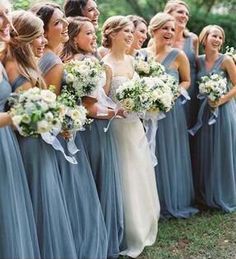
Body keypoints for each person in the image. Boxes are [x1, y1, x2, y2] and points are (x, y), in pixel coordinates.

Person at [33, 4, 110, 258]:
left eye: (64, 21)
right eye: (58, 23)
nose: (65, 26)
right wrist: (69, 119)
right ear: (43, 29)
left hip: (65, 130)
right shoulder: (53, 61)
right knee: (72, 194)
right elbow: (51, 104)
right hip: (59, 135)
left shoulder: (54, 57)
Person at [5, 10, 78, 259]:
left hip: (40, 142)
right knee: (39, 199)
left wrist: (61, 119)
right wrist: (49, 118)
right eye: (38, 36)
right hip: (30, 146)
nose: (44, 41)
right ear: (24, 38)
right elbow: (22, 112)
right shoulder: (13, 67)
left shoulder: (28, 65)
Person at [61, 16, 125, 259]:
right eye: (88, 33)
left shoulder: (82, 60)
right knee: (101, 179)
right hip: (93, 130)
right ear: (75, 37)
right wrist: (114, 112)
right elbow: (89, 107)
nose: (93, 36)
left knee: (95, 181)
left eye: (93, 32)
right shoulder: (81, 63)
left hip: (89, 127)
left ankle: (100, 235)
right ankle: (104, 237)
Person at [102, 15, 160, 258]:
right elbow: (100, 105)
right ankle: (131, 232)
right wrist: (116, 110)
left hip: (136, 126)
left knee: (140, 172)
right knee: (125, 177)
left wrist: (148, 102)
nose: (130, 35)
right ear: (112, 33)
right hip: (118, 130)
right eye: (125, 31)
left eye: (130, 31)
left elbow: (142, 91)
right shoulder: (105, 65)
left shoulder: (133, 60)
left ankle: (147, 223)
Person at [143, 12, 198, 218]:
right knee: (150, 151)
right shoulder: (142, 55)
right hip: (148, 113)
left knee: (171, 152)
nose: (169, 32)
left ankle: (173, 199)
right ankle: (152, 200)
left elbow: (186, 81)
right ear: (154, 29)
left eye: (172, 29)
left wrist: (172, 93)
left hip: (171, 111)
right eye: (165, 28)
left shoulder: (178, 55)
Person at [0, 3, 40, 259]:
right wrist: (16, 117)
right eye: (0, 15)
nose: (8, 21)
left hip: (6, 146)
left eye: (7, 14)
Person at [191, 25, 236, 212]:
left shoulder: (226, 60)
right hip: (203, 112)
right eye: (214, 36)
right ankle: (205, 196)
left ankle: (224, 194)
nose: (217, 40)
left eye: (220, 37)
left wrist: (221, 99)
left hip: (223, 111)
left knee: (222, 150)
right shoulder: (198, 62)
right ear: (205, 38)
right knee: (206, 152)